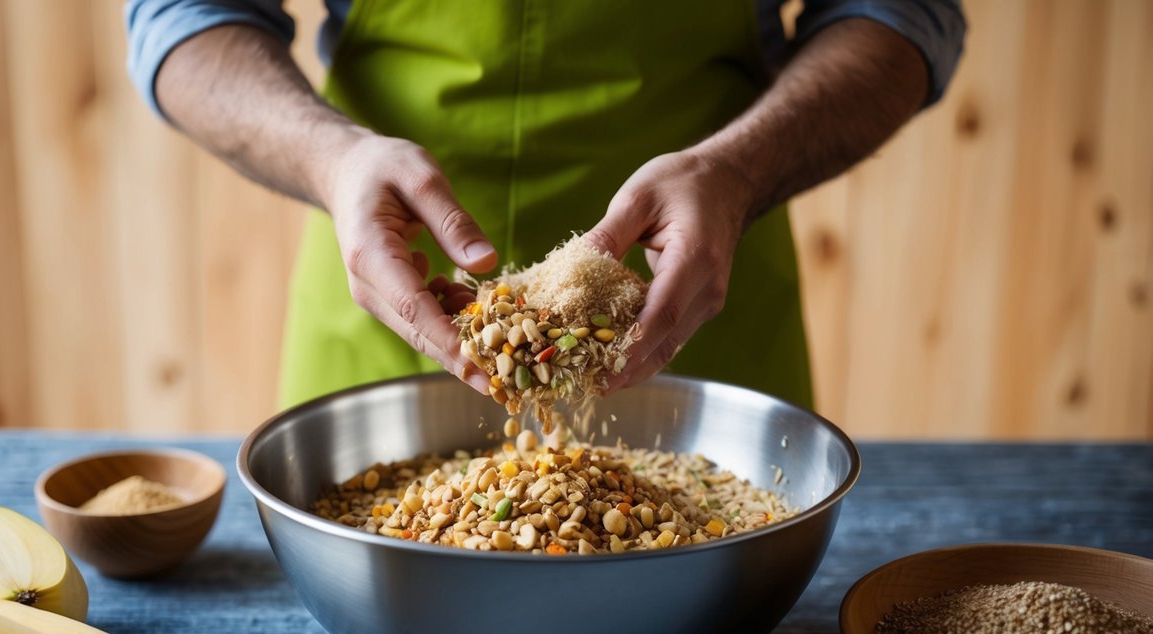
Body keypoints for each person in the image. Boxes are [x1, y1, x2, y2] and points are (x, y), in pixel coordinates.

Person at [126, 0, 965, 411]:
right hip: (391, 307)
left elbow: (899, 11)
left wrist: (738, 171)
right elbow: (184, 14)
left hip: (695, 307)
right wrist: (329, 158)